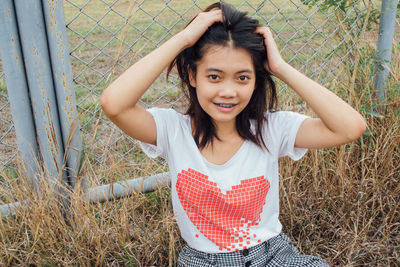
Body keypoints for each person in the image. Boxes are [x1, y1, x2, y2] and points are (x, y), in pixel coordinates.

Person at [100, 2, 366, 266]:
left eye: (242, 78)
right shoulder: (173, 131)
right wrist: (183, 39)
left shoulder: (270, 128)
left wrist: (281, 68)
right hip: (203, 261)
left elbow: (350, 127)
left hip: (272, 255)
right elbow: (114, 104)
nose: (228, 91)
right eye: (215, 77)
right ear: (193, 76)